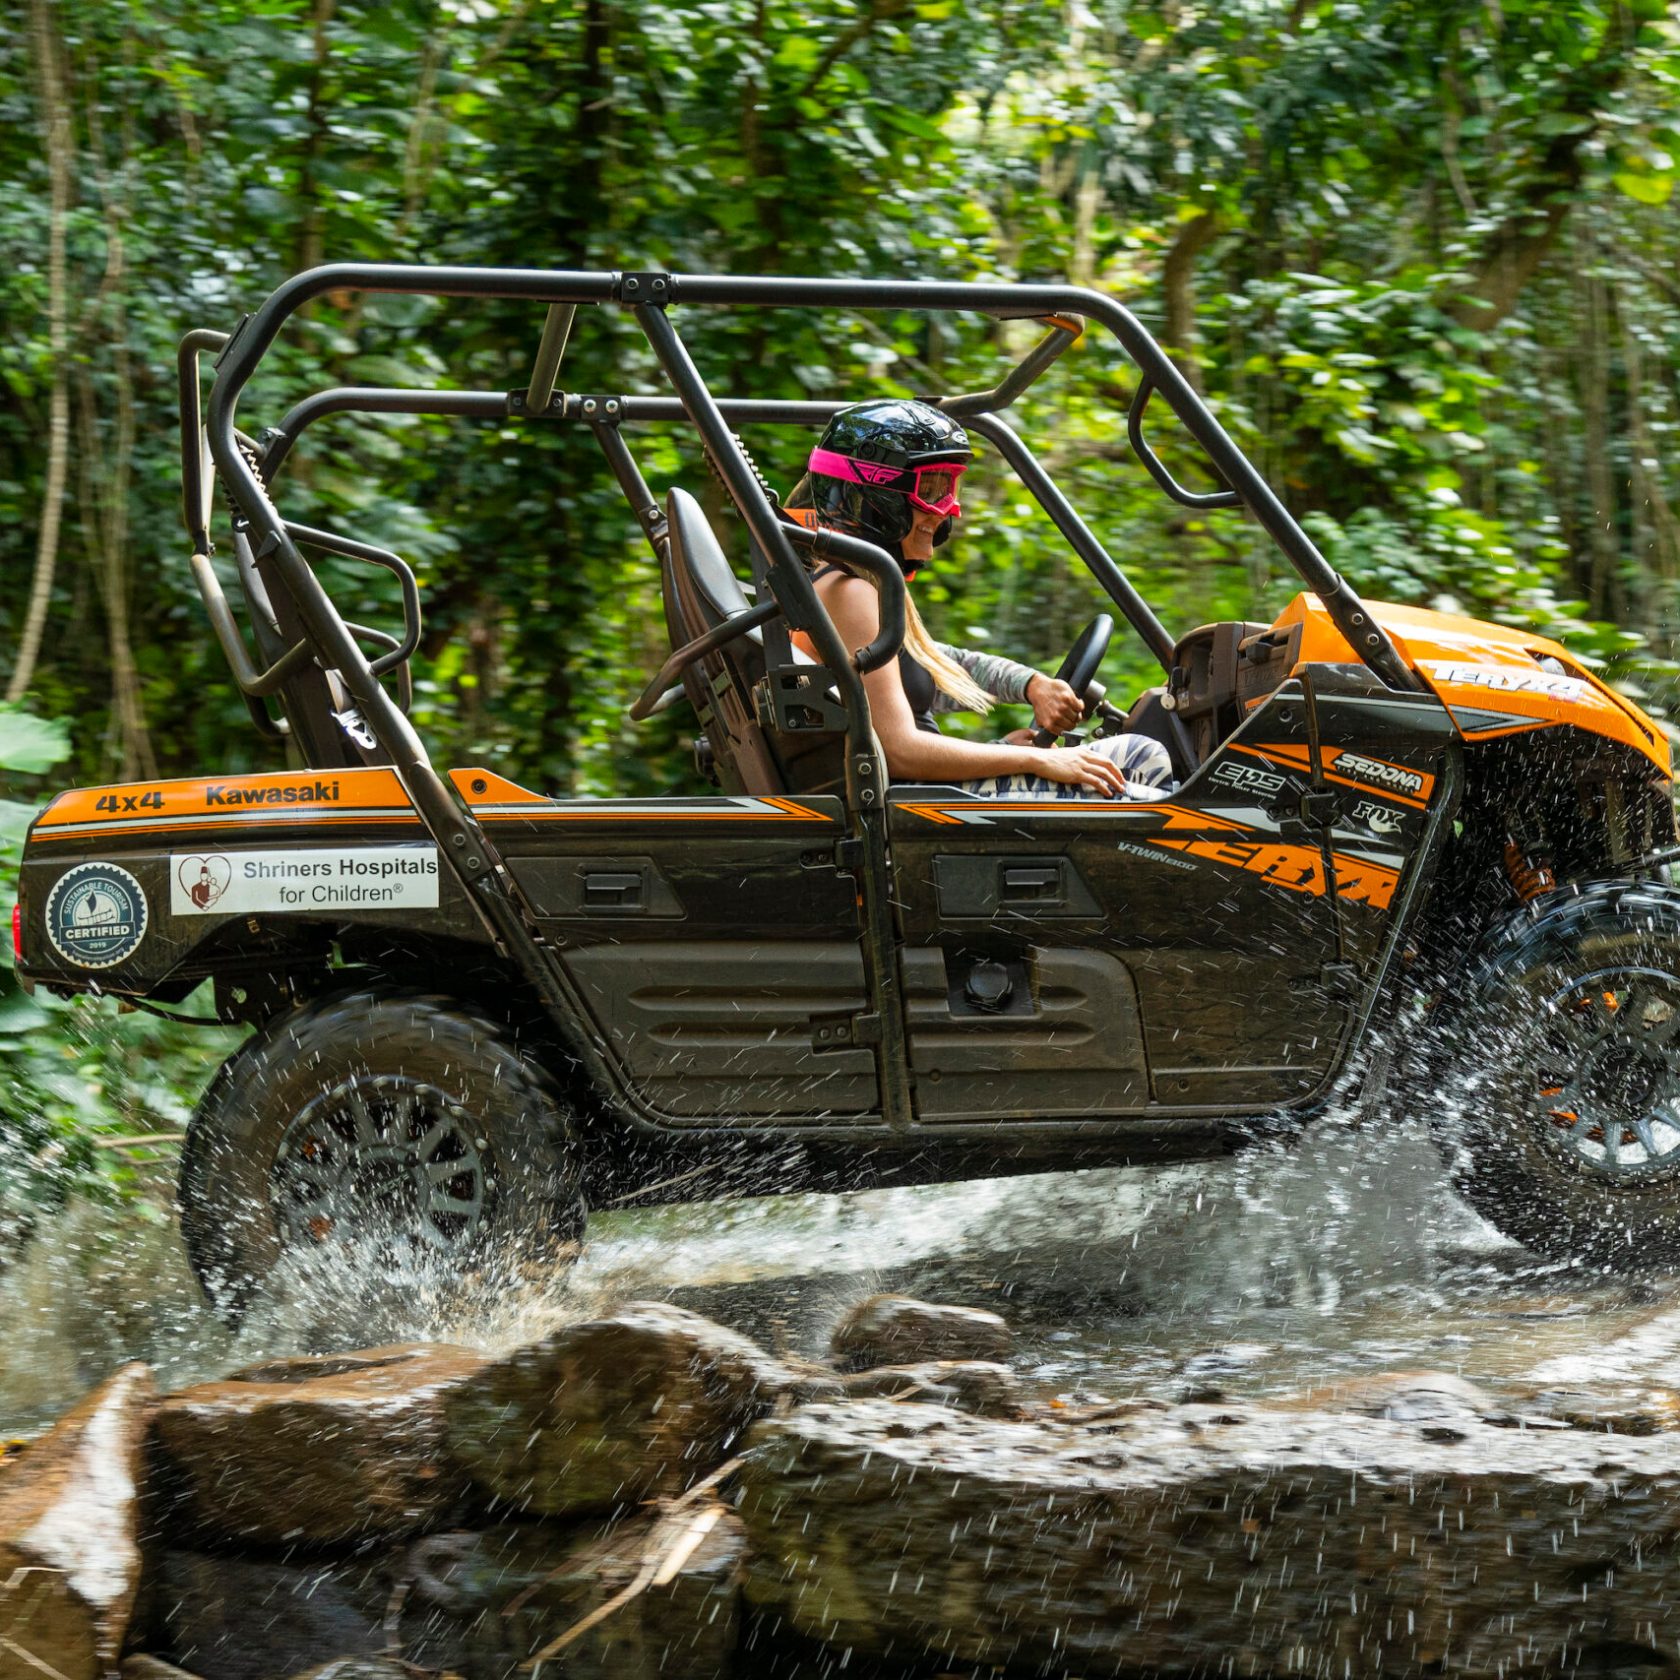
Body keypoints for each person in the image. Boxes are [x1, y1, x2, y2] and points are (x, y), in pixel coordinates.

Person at [783, 399, 1174, 800]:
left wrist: (1028, 689)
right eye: (932, 490)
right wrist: (1033, 761)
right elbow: (899, 750)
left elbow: (933, 667)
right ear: (878, 496)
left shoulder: (856, 585)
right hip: (917, 805)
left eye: (950, 487)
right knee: (1145, 754)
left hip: (927, 795)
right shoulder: (851, 593)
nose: (949, 508)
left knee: (1133, 759)